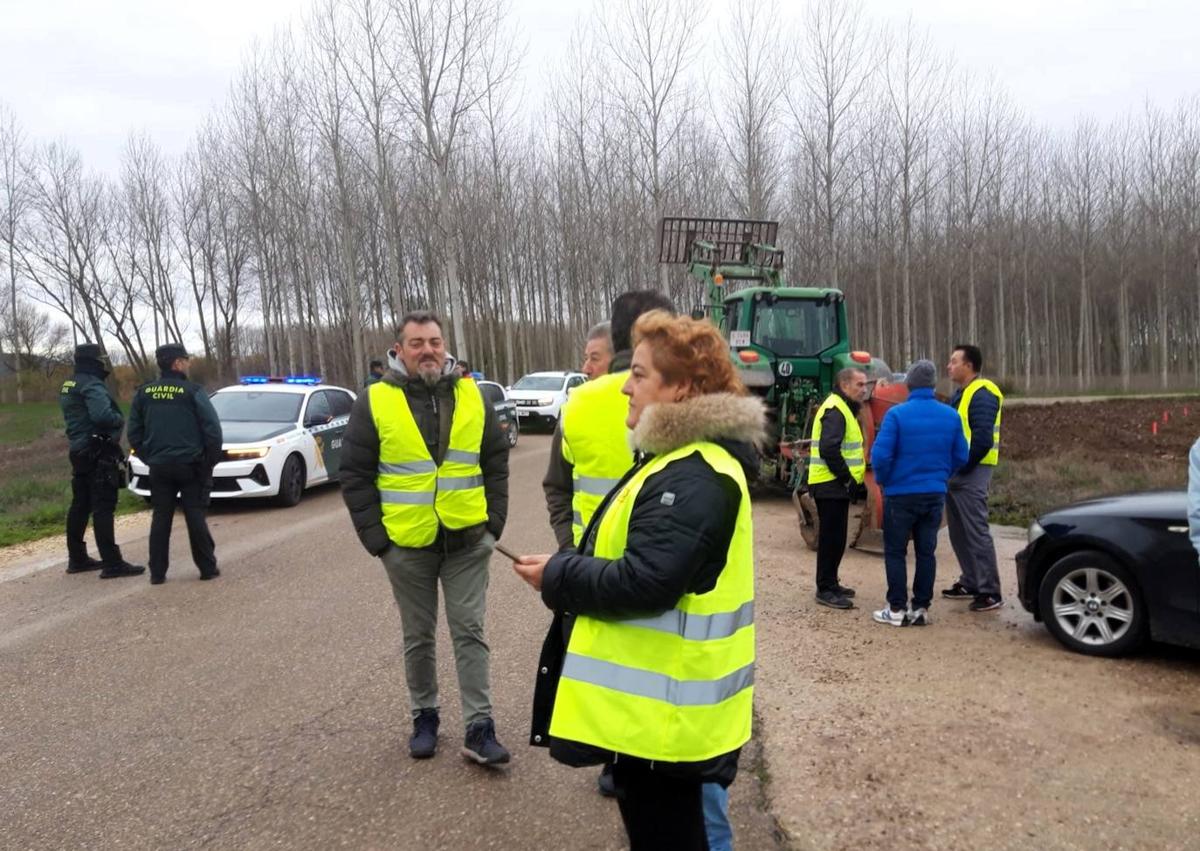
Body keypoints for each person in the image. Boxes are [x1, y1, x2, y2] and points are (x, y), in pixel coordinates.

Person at [516, 311, 763, 851]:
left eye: (642, 374)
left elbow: (646, 581)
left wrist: (559, 574)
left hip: (668, 726)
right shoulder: (672, 461)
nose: (625, 385)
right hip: (651, 721)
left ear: (681, 390)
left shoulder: (696, 473)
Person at [339, 310, 511, 765]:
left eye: (434, 341)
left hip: (468, 540)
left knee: (469, 631)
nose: (428, 350)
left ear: (445, 345)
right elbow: (354, 474)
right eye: (416, 343)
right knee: (418, 636)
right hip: (406, 545)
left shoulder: (472, 394)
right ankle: (425, 717)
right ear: (399, 351)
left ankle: (479, 726)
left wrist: (495, 524)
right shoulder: (373, 401)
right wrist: (378, 540)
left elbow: (495, 461)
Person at [543, 290, 674, 800]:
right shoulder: (674, 397)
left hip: (589, 566)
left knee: (601, 668)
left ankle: (612, 761)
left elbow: (556, 484)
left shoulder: (579, 403)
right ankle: (639, 761)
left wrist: (568, 545)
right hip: (656, 561)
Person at [869, 360, 969, 627]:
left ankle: (897, 609)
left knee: (895, 551)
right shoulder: (951, 416)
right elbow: (962, 455)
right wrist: (941, 476)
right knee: (927, 552)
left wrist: (885, 481)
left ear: (909, 384)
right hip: (934, 494)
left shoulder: (897, 415)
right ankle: (921, 608)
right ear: (934, 384)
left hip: (900, 495)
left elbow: (880, 456)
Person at [127, 344, 223, 585]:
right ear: (177, 364)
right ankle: (207, 568)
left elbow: (134, 432)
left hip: (159, 466)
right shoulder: (193, 391)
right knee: (194, 515)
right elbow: (212, 429)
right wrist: (209, 461)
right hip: (190, 465)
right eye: (185, 359)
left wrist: (149, 457)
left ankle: (157, 573)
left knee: (161, 518)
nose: (188, 363)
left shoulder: (144, 393)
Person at [60, 343, 144, 578]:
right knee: (103, 505)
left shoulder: (69, 384)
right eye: (102, 359)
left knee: (81, 505)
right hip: (98, 451)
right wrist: (119, 418)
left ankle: (77, 558)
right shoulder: (92, 384)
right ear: (95, 361)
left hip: (78, 451)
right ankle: (112, 563)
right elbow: (103, 416)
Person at [941, 344, 1005, 611]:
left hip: (972, 471)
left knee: (976, 532)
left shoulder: (983, 393)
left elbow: (981, 439)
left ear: (968, 366)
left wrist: (962, 467)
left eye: (954, 361)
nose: (949, 366)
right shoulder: (961, 393)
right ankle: (970, 581)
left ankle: (990, 591)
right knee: (958, 532)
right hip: (957, 472)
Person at [806, 367, 869, 609]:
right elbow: (829, 449)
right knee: (831, 539)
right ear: (844, 386)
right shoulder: (835, 409)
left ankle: (831, 583)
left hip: (835, 485)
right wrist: (847, 479)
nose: (864, 390)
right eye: (859, 385)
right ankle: (824, 588)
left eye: (865, 385)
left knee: (837, 538)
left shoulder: (843, 407)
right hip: (830, 484)